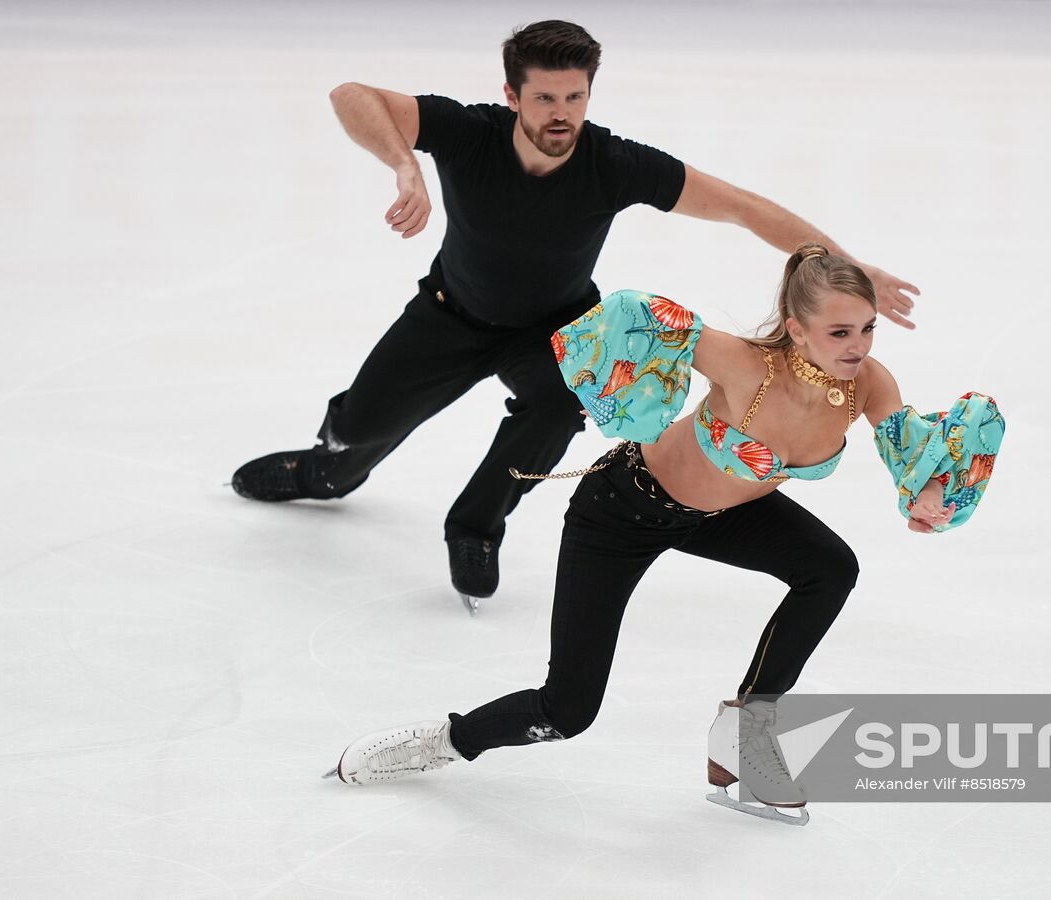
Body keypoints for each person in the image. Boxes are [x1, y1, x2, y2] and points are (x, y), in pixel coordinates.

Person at [229, 20, 920, 610]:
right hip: (450, 314)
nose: (561, 112)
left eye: (575, 97)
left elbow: (741, 205)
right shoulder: (469, 132)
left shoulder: (612, 162)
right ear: (512, 95)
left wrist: (847, 265)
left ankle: (476, 525)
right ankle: (328, 471)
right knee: (361, 425)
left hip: (556, 329)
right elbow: (352, 95)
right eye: (544, 97)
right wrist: (405, 166)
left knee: (560, 408)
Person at [323, 246, 1005, 826]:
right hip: (620, 512)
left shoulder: (865, 385)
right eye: (839, 333)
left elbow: (905, 450)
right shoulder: (745, 366)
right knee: (568, 710)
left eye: (866, 330)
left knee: (830, 567)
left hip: (722, 513)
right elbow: (641, 317)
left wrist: (931, 498)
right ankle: (446, 740)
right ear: (796, 331)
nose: (857, 347)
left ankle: (748, 731)